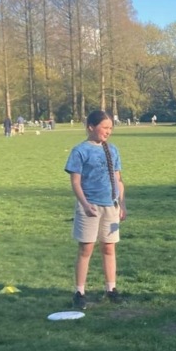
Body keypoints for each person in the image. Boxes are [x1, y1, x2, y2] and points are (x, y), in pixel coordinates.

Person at [65, 110, 126, 309]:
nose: (108, 131)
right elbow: (75, 182)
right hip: (89, 206)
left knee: (109, 247)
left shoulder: (112, 150)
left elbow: (118, 180)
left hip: (111, 206)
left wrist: (122, 204)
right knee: (86, 248)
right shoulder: (80, 151)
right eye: (105, 127)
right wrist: (85, 204)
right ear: (91, 127)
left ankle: (111, 289)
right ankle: (79, 292)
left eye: (111, 128)